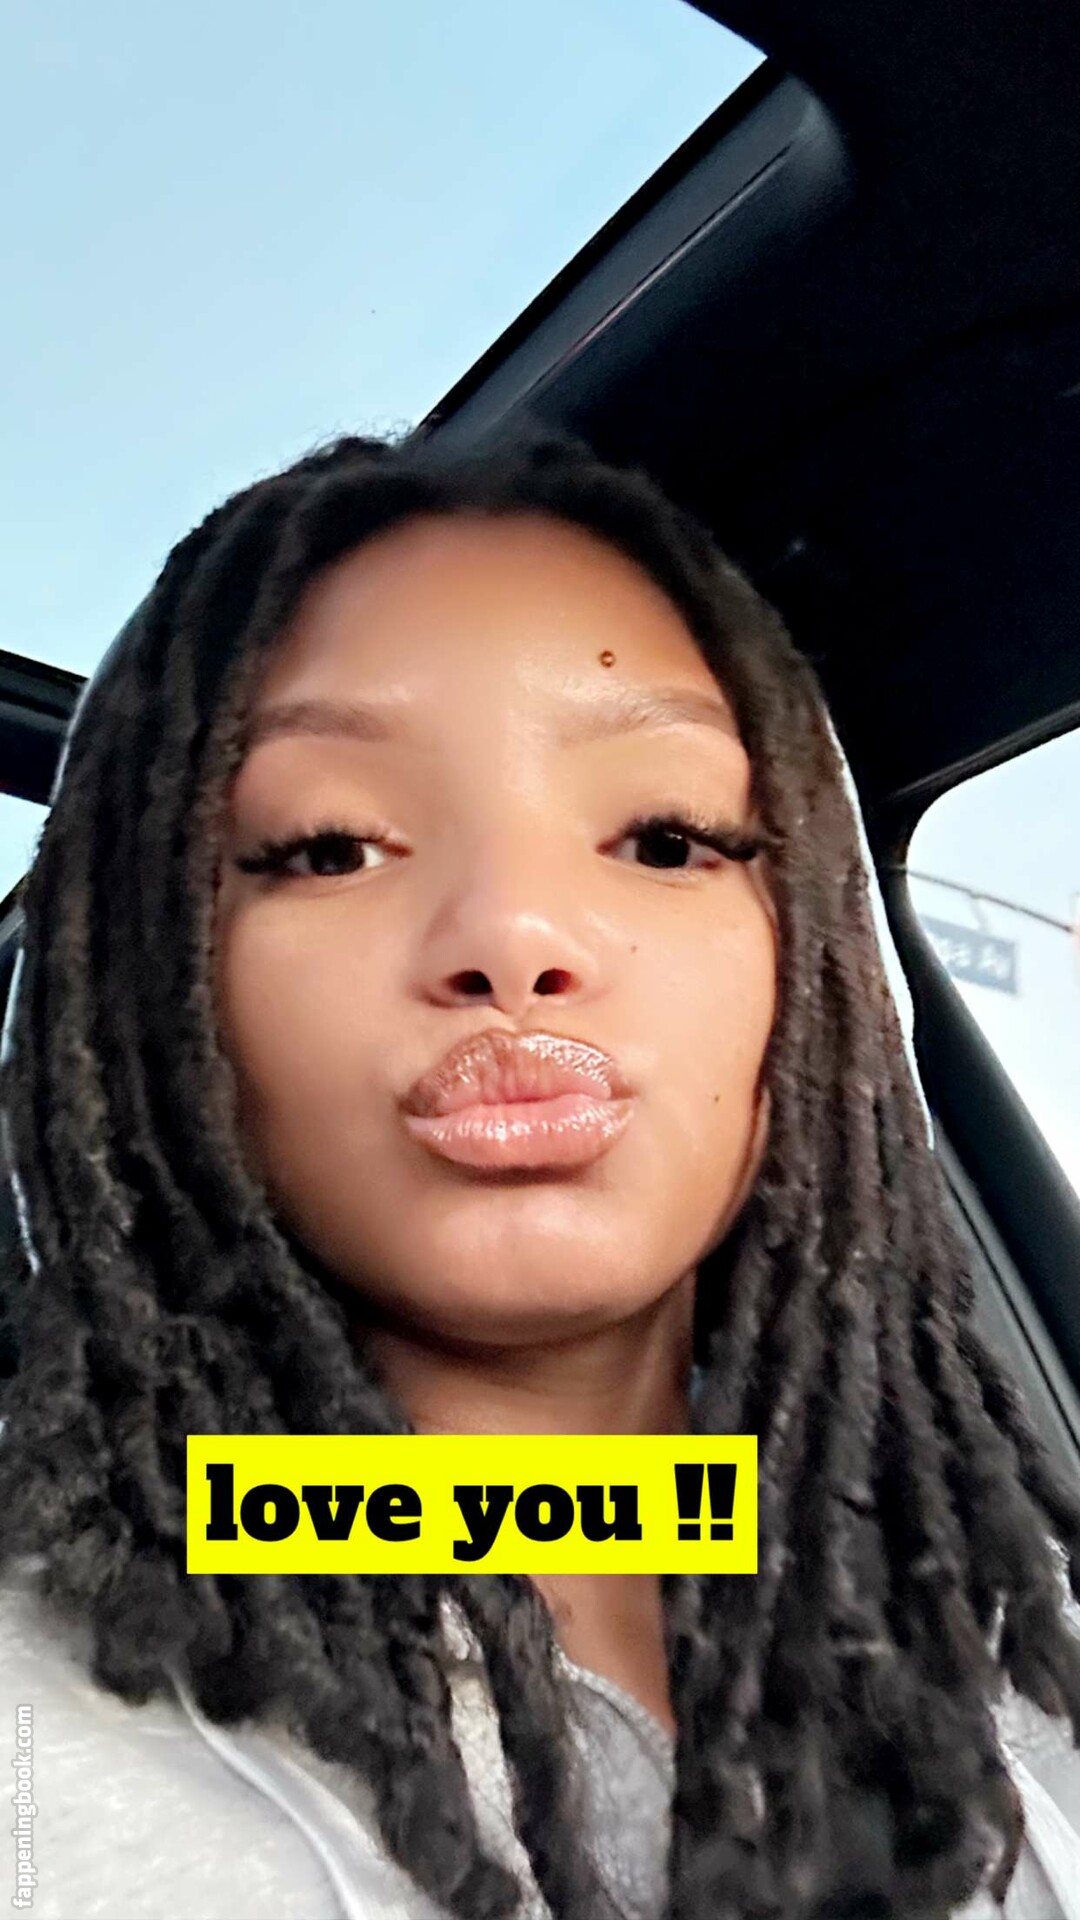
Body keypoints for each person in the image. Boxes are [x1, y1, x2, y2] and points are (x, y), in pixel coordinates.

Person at [1, 429, 1080, 1920]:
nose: (513, 931)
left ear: (822, 968)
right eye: (327, 847)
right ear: (141, 994)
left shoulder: (1016, 1621)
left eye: (666, 839)